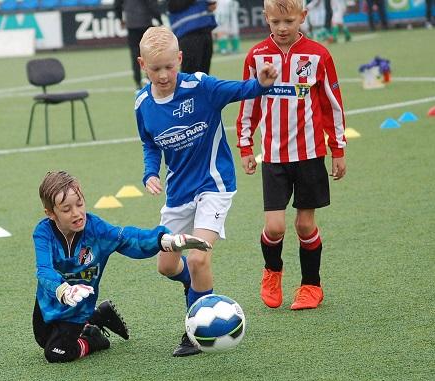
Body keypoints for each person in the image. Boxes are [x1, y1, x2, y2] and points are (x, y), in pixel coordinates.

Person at [135, 26, 278, 356]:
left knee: (199, 257)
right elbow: (149, 143)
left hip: (214, 186)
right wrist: (149, 173)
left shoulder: (200, 86)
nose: (163, 74)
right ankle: (194, 288)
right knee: (167, 266)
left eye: (169, 66)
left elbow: (241, 90)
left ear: (179, 59)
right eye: (155, 68)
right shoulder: (142, 103)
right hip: (178, 194)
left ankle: (195, 330)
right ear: (142, 64)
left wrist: (261, 84)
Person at [32, 170, 212, 363]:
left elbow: (129, 238)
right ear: (50, 213)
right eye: (66, 210)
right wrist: (64, 290)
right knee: (44, 339)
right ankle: (98, 317)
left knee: (57, 352)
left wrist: (167, 241)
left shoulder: (96, 230)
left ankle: (92, 338)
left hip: (78, 308)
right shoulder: (43, 232)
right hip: (49, 301)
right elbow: (44, 270)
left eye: (80, 204)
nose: (76, 213)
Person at [235, 0, 347, 311]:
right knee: (274, 227)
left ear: (303, 17)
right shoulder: (257, 56)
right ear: (265, 19)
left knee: (305, 226)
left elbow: (331, 105)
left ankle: (311, 286)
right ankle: (272, 271)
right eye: (276, 22)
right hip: (272, 157)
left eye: (289, 21)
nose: (282, 28)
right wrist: (246, 146)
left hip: (310, 156)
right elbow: (249, 103)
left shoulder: (318, 54)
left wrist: (338, 149)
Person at [114, 0, 162, 90]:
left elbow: (117, 4)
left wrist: (120, 18)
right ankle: (150, 79)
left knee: (134, 53)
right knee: (150, 52)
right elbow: (152, 4)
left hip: (132, 24)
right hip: (145, 23)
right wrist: (159, 20)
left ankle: (138, 82)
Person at [167, 0, 218, 74]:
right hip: (188, 32)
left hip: (205, 28)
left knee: (204, 76)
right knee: (190, 76)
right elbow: (173, 5)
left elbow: (211, 6)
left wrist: (211, 3)